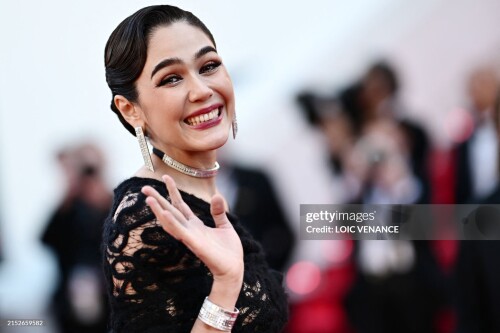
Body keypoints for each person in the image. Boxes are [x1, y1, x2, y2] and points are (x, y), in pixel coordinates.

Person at [102, 5, 288, 333]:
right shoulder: (145, 219)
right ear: (131, 110)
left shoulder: (204, 188)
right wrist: (226, 284)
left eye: (209, 65)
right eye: (171, 78)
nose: (202, 90)